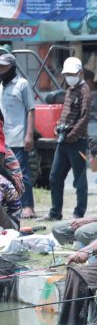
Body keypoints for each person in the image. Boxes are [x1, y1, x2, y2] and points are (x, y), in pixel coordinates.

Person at [41, 56, 91, 221]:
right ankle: (55, 212)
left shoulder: (85, 90)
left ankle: (79, 213)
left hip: (77, 141)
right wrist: (58, 127)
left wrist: (71, 135)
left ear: (80, 73)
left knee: (79, 179)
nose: (69, 76)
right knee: (55, 177)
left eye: (72, 73)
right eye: (67, 74)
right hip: (63, 141)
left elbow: (84, 118)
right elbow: (65, 114)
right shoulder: (69, 89)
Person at [51, 138, 97, 247]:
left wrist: (89, 220)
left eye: (89, 157)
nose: (88, 160)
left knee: (81, 233)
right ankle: (88, 243)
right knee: (58, 229)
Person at [0, 52, 35, 219]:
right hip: (3, 139)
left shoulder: (22, 84)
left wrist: (29, 134)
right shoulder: (0, 85)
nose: (0, 70)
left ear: (12, 67)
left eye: (3, 67)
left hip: (18, 136)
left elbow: (31, 110)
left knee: (21, 174)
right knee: (4, 177)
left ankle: (28, 206)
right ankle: (11, 206)